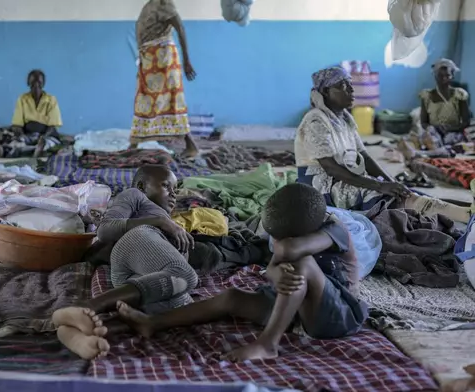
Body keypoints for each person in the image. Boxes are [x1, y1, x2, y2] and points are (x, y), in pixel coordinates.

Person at [116, 183, 368, 361]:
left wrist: (281, 254)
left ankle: (268, 345)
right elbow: (271, 268)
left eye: (282, 238)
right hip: (294, 304)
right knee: (233, 297)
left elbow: (292, 249)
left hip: (336, 314)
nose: (277, 242)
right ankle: (152, 323)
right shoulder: (288, 237)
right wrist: (276, 274)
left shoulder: (334, 229)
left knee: (301, 264)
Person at [52, 164, 198, 359]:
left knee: (181, 304)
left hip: (140, 280)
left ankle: (77, 333)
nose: (173, 194)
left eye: (175, 189)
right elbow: (105, 230)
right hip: (134, 243)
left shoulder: (169, 221)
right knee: (185, 275)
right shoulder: (136, 196)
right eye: (166, 186)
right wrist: (160, 222)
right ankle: (87, 305)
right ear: (141, 185)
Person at [295, 66, 471, 223]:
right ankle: (465, 215)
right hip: (322, 186)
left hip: (346, 176)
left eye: (350, 84)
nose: (351, 89)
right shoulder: (316, 122)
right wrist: (380, 186)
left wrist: (391, 181)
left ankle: (466, 209)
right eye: (342, 85)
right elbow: (331, 169)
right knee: (388, 197)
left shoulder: (345, 119)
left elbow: (364, 156)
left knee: (404, 192)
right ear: (325, 92)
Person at [130, 0, 199, 158]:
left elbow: (180, 28)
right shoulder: (151, 5)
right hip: (151, 58)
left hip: (162, 58)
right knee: (145, 99)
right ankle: (134, 142)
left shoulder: (164, 3)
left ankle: (191, 145)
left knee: (171, 100)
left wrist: (187, 61)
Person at [0, 69, 63, 158]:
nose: (36, 85)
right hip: (28, 134)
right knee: (17, 142)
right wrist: (22, 135)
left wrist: (43, 137)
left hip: (46, 135)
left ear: (43, 84)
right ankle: (2, 151)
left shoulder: (51, 100)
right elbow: (17, 125)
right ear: (28, 83)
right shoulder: (22, 99)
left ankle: (37, 149)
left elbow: (52, 126)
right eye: (33, 82)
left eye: (39, 82)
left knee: (49, 144)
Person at [419, 58, 471, 147]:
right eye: (440, 75)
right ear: (435, 76)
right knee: (427, 140)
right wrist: (431, 128)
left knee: (449, 141)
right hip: (434, 132)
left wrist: (450, 128)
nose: (443, 79)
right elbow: (424, 122)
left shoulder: (459, 95)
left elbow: (466, 121)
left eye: (447, 75)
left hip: (453, 132)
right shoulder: (427, 96)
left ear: (452, 76)